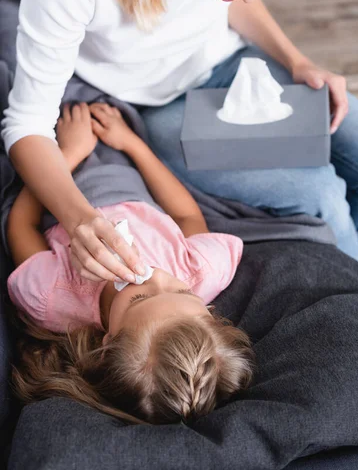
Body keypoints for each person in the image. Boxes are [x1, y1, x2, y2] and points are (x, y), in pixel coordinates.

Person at [2, 0, 358, 285]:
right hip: (159, 104)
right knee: (319, 195)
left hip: (232, 63)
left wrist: (296, 60)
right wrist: (79, 218)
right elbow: (26, 123)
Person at [7, 102, 254, 424]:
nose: (152, 276)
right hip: (121, 161)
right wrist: (133, 144)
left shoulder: (52, 295)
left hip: (49, 170)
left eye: (139, 299)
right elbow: (186, 215)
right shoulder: (202, 267)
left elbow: (21, 224)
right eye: (182, 292)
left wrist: (69, 152)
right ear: (210, 312)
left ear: (108, 342)